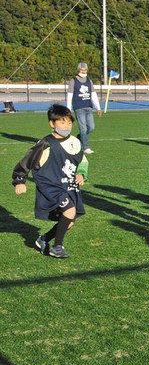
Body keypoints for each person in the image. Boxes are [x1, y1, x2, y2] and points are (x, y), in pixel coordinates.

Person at [12, 104, 88, 258]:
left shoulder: (75, 142)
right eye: (62, 122)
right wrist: (19, 180)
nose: (66, 126)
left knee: (69, 222)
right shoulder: (45, 143)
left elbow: (83, 161)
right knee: (70, 211)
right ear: (52, 124)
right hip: (51, 185)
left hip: (69, 185)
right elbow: (27, 161)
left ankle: (43, 240)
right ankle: (57, 247)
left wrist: (81, 173)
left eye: (69, 123)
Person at [66, 62, 102, 154]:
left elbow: (93, 94)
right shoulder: (73, 81)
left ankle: (80, 137)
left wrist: (98, 107)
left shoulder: (89, 81)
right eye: (82, 70)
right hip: (78, 108)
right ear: (78, 70)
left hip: (88, 107)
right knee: (83, 128)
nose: (83, 71)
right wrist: (68, 109)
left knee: (91, 127)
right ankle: (85, 147)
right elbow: (69, 95)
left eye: (85, 70)